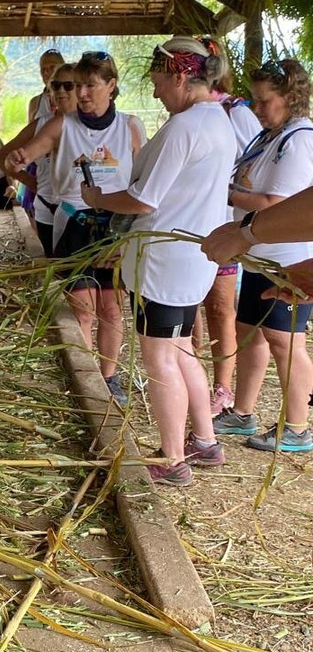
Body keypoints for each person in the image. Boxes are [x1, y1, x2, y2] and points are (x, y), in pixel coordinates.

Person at [81, 36, 233, 485]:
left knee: (159, 359)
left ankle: (171, 459)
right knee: (181, 348)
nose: (154, 91)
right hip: (191, 258)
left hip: (166, 264)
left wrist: (97, 198)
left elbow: (144, 200)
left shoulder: (186, 127)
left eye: (159, 80)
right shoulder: (215, 120)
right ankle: (204, 441)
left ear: (182, 75)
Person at [5, 52, 144, 404]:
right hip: (74, 222)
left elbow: (142, 177)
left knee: (111, 308)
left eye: (90, 85)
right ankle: (85, 379)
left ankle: (109, 377)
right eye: (77, 85)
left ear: (111, 86)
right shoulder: (62, 125)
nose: (81, 93)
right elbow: (29, 152)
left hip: (115, 226)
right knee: (81, 307)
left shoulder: (129, 126)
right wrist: (19, 159)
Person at [211, 58, 313, 452]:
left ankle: (298, 426)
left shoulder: (300, 138)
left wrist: (230, 195)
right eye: (253, 100)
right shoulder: (274, 135)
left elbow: (276, 201)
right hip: (259, 254)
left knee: (285, 340)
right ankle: (243, 411)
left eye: (264, 100)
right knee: (249, 332)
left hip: (288, 259)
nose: (256, 109)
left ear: (290, 98)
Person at [191, 49, 264, 415]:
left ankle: (222, 388)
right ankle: (193, 379)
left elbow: (252, 161)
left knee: (220, 308)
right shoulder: (190, 112)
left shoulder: (238, 112)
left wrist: (230, 189)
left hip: (223, 223)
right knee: (189, 307)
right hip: (191, 224)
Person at [0, 63, 78, 257]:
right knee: (55, 268)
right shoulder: (41, 125)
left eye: (68, 85)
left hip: (83, 213)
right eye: (55, 86)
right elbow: (0, 158)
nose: (60, 91)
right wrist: (31, 182)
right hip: (48, 208)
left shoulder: (94, 125)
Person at [21, 48, 66, 226]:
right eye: (43, 69)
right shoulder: (36, 102)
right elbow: (28, 135)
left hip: (65, 167)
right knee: (34, 210)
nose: (47, 72)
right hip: (39, 164)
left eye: (52, 67)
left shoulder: (75, 98)